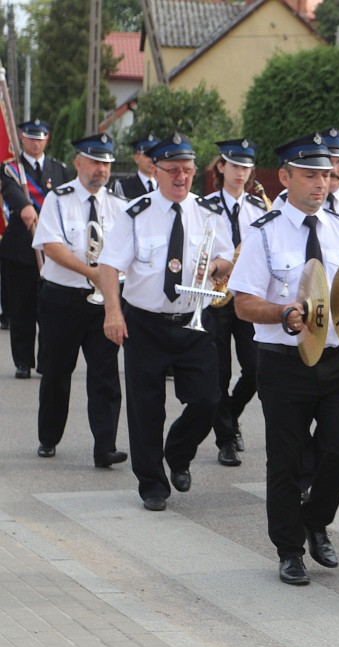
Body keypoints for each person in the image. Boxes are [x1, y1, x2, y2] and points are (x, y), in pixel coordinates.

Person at [228, 132, 339, 586]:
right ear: (285, 177)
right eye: (309, 175)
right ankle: (289, 550)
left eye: (325, 175)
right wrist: (282, 313)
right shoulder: (264, 233)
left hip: (338, 359)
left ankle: (315, 519)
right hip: (284, 361)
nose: (320, 184)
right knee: (286, 460)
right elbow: (243, 303)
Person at [95, 134, 235, 512]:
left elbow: (226, 259)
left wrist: (215, 266)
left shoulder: (208, 212)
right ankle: (152, 484)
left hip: (193, 322)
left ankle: (178, 452)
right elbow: (109, 266)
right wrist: (112, 312)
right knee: (146, 409)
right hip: (145, 323)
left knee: (207, 399)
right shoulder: (136, 213)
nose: (181, 177)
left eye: (187, 170)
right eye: (173, 170)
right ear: (155, 171)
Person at [30, 132, 126, 467]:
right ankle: (48, 436)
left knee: (105, 375)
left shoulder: (120, 205)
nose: (102, 169)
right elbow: (51, 247)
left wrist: (109, 284)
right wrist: (91, 272)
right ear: (78, 163)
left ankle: (105, 447)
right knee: (56, 373)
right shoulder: (58, 199)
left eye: (106, 163)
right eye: (95, 162)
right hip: (62, 300)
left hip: (104, 302)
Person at [206, 138, 269, 467]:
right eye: (234, 165)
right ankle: (226, 440)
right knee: (219, 372)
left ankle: (230, 413)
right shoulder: (204, 207)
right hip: (215, 296)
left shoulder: (260, 209)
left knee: (256, 368)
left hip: (247, 296)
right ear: (221, 167)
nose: (241, 172)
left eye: (246, 166)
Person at [1, 119, 72, 379]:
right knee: (22, 310)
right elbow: (9, 190)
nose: (35, 143)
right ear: (21, 137)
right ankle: (23, 361)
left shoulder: (60, 169)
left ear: (47, 139)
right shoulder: (11, 169)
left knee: (51, 311)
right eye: (31, 138)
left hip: (53, 250)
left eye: (40, 138)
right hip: (20, 250)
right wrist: (24, 205)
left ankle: (47, 361)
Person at [113, 135, 160, 199]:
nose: (151, 160)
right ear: (136, 158)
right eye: (147, 155)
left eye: (154, 155)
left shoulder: (166, 186)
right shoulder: (123, 187)